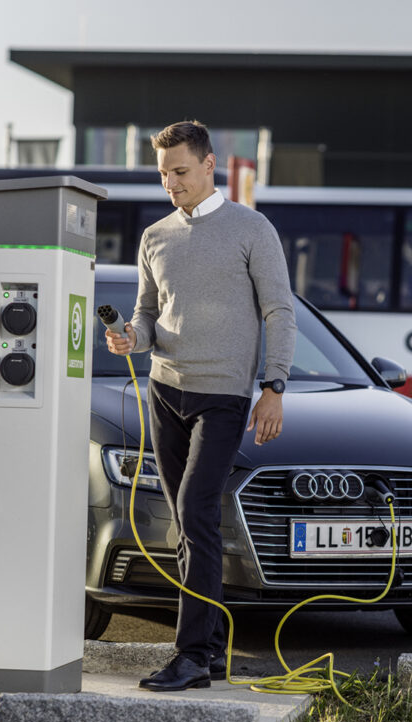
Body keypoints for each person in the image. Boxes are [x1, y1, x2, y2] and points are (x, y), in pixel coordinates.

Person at [105, 120, 296, 691]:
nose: (171, 184)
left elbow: (279, 313)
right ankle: (210, 649)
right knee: (191, 526)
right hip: (166, 391)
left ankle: (189, 656)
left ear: (210, 165)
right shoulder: (154, 237)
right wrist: (130, 338)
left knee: (194, 509)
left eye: (180, 172)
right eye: (163, 174)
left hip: (224, 395)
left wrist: (275, 386)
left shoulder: (252, 229)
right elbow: (146, 316)